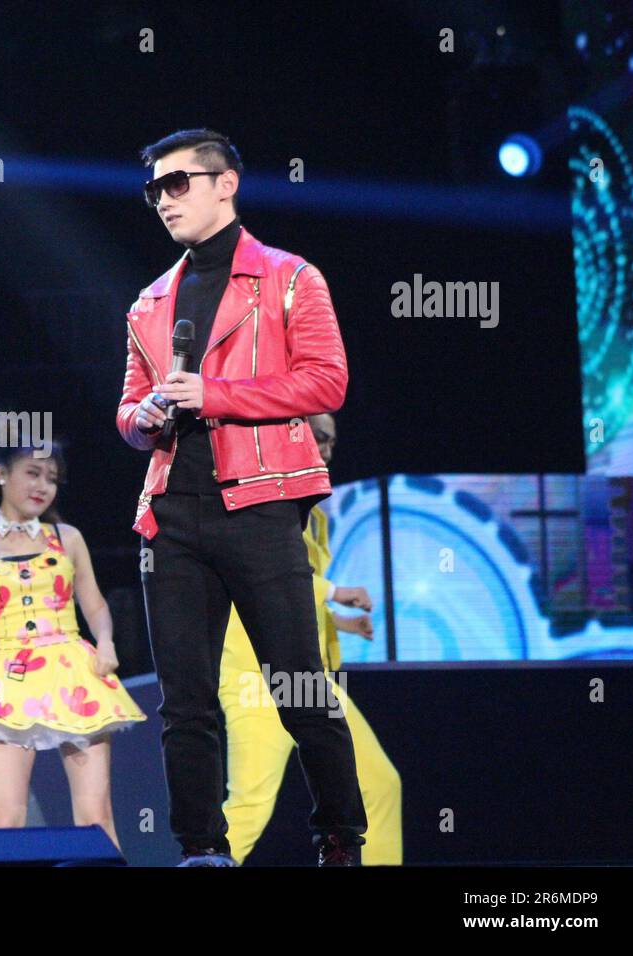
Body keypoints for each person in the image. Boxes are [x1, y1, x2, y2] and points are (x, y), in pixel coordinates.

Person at [117, 128, 366, 865]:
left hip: (259, 503)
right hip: (172, 513)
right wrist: (145, 418)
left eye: (179, 183)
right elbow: (127, 410)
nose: (165, 200)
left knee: (300, 688)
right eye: (155, 190)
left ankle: (340, 838)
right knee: (185, 703)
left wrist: (216, 394)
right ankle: (201, 849)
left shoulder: (289, 278)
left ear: (226, 183)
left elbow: (327, 382)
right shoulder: (149, 302)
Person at [0, 445, 145, 849]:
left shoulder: (67, 538)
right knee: (6, 815)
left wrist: (105, 641)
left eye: (51, 479)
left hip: (75, 675)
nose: (43, 486)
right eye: (33, 473)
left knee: (95, 814)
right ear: (2, 474)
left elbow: (94, 605)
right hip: (8, 682)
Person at [221, 414, 403, 864]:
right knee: (248, 810)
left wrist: (338, 623)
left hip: (310, 681)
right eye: (320, 437)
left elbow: (292, 600)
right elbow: (267, 576)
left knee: (380, 785)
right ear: (292, 432)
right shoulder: (258, 497)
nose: (327, 450)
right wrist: (336, 591)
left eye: (332, 442)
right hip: (257, 679)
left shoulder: (315, 515)